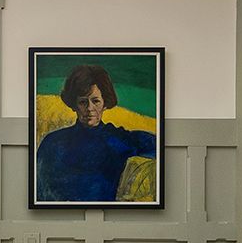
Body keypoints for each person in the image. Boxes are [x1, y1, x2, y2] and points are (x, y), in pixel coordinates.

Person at [34, 63, 156, 203]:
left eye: (95, 101)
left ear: (105, 103)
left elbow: (160, 146)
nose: (90, 108)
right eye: (83, 102)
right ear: (74, 105)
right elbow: (38, 192)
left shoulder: (117, 140)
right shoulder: (52, 142)